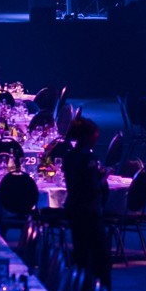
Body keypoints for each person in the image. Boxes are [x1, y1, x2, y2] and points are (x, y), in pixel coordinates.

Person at [58, 114, 111, 278]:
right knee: (99, 257)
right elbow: (92, 187)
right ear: (88, 137)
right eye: (95, 137)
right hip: (89, 212)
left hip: (73, 209)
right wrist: (103, 177)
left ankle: (79, 287)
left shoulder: (69, 157)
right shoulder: (89, 158)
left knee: (80, 252)